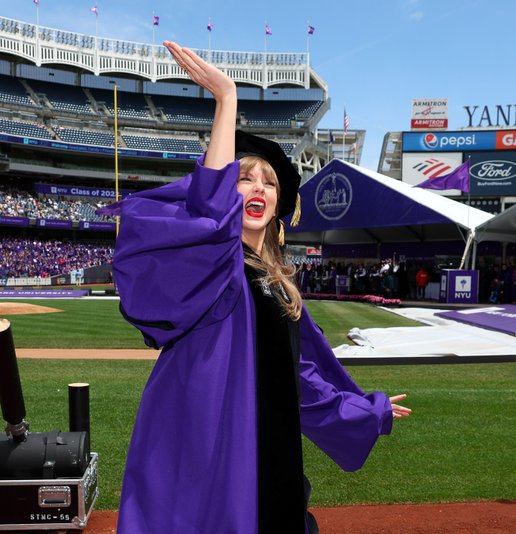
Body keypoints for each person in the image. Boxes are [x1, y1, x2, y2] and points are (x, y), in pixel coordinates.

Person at [101, 41, 410, 533]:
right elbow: (208, 215)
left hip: (269, 447)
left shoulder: (278, 286)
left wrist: (362, 409)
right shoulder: (214, 265)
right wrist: (227, 99)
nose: (260, 189)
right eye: (245, 179)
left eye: (269, 182)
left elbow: (298, 377)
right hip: (208, 443)